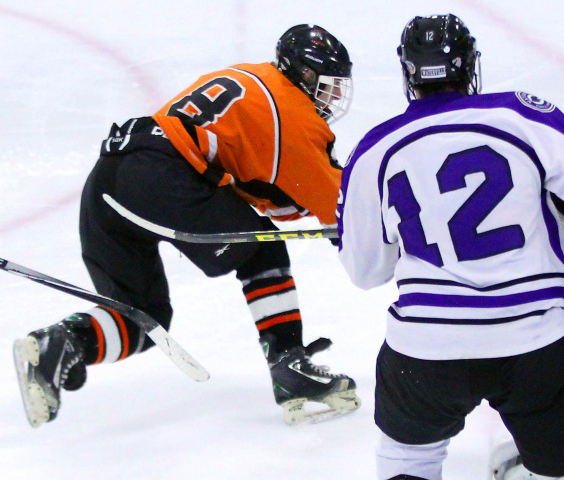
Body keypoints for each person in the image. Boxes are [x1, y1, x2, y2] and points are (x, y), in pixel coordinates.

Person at [13, 24, 359, 428]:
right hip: (159, 177)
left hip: (110, 177)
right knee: (262, 246)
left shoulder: (251, 76)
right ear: (303, 74)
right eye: (328, 85)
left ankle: (63, 341)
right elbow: (341, 207)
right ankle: (290, 366)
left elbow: (252, 185)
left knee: (144, 320)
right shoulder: (294, 116)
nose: (334, 97)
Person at [337, 14, 564, 480]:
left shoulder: (374, 149)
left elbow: (366, 272)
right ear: (470, 67)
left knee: (408, 462)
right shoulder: (521, 115)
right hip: (533, 340)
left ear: (408, 74)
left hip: (425, 350)